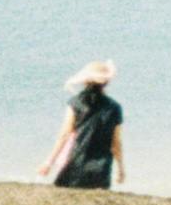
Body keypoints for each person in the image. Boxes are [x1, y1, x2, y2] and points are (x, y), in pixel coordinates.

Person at [39, 61, 125, 190]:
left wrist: (48, 163)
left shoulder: (76, 103)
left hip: (76, 164)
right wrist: (121, 169)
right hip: (101, 170)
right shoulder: (114, 107)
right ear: (107, 82)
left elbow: (64, 135)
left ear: (85, 81)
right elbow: (116, 143)